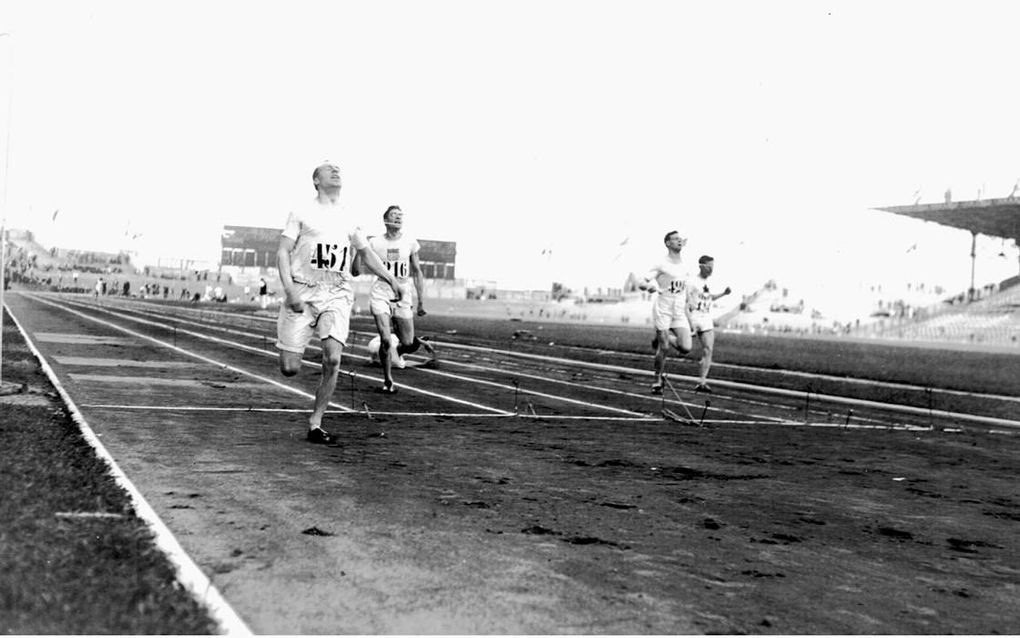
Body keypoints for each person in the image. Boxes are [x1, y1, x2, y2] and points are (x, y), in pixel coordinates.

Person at [276, 160, 404, 445]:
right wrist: (289, 290)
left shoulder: (349, 215)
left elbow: (367, 252)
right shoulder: (301, 212)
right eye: (327, 169)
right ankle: (292, 336)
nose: (335, 171)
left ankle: (315, 423)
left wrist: (389, 278)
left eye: (338, 169)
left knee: (333, 358)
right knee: (289, 368)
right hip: (303, 290)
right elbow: (283, 252)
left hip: (336, 291)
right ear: (316, 180)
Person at [352, 205, 436, 393]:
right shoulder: (374, 242)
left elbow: (417, 272)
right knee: (386, 339)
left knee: (407, 342)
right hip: (381, 291)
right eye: (394, 215)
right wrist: (359, 247)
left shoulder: (410, 242)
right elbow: (355, 272)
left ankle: (395, 346)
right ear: (385, 220)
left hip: (403, 293)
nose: (398, 218)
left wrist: (421, 301)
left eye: (400, 215)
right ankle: (388, 380)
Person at [638, 230, 693, 395]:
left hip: (679, 309)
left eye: (680, 239)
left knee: (685, 347)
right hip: (664, 307)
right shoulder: (661, 263)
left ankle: (663, 336)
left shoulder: (685, 265)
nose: (679, 241)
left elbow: (685, 286)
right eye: (675, 239)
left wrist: (689, 300)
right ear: (667, 243)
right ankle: (657, 380)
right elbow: (642, 281)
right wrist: (650, 287)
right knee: (665, 347)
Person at [686, 255, 731, 393]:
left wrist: (724, 293)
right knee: (684, 347)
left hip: (706, 318)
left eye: (713, 266)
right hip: (694, 316)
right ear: (701, 266)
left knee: (708, 349)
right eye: (709, 266)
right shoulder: (692, 282)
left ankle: (702, 382)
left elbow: (710, 298)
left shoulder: (711, 283)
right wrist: (689, 322)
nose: (711, 269)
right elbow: (686, 302)